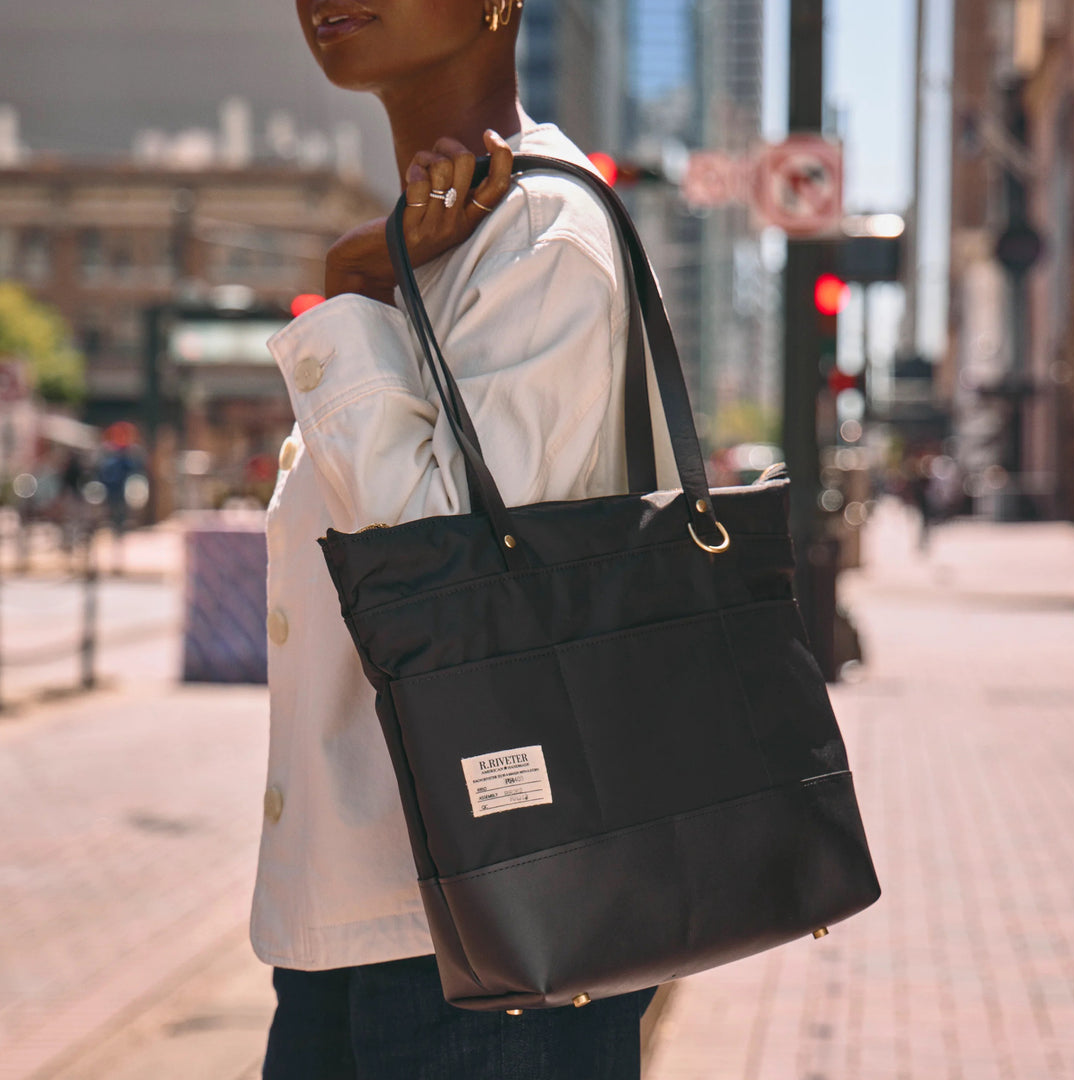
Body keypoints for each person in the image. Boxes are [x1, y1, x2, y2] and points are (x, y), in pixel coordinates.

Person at [255, 1, 663, 1075]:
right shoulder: (433, 242)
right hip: (375, 923)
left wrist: (346, 302)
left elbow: (446, 591)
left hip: (486, 950)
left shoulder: (537, 241)